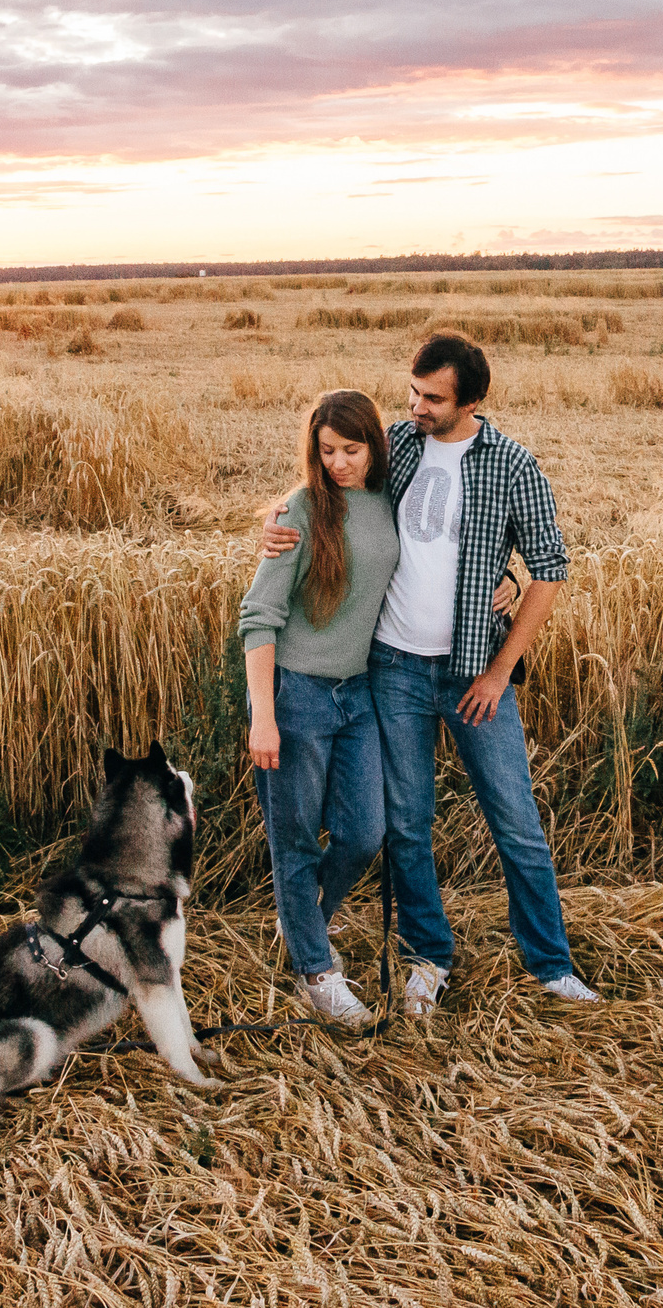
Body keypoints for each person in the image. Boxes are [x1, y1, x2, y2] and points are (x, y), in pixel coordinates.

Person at [265, 330, 599, 1016]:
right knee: (407, 826)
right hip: (392, 667)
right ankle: (428, 955)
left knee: (516, 822)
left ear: (470, 401)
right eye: (413, 392)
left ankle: (551, 965)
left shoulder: (513, 466)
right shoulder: (399, 445)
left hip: (475, 674)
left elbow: (550, 569)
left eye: (433, 399)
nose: (416, 406)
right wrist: (272, 521)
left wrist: (501, 670)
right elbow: (328, 487)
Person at [238, 389, 400, 1027]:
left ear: (374, 445)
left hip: (357, 693)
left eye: (351, 450)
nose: (338, 463)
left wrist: (503, 580)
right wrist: (263, 716)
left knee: (364, 833)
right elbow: (258, 617)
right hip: (296, 695)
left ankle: (303, 921)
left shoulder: (388, 499)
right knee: (296, 838)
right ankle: (316, 971)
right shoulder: (301, 511)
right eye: (326, 451)